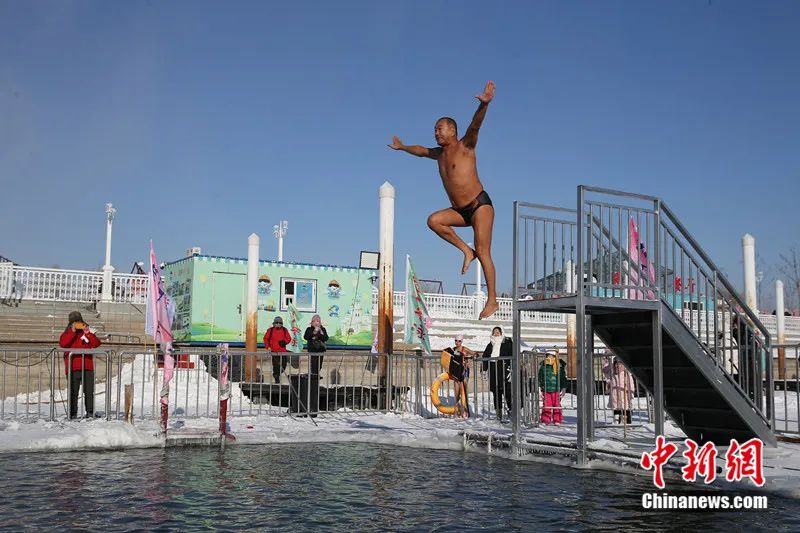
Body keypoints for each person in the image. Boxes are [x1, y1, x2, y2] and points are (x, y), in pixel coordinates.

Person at [388, 80, 499, 319]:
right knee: (434, 220)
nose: (436, 133)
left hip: (480, 205)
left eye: (440, 128)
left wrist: (484, 105)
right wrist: (403, 147)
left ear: (452, 131)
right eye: (435, 130)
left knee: (483, 250)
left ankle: (492, 300)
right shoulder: (439, 154)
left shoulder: (466, 146)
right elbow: (421, 150)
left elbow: (475, 125)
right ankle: (465, 251)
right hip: (460, 210)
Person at [58, 311, 102, 419]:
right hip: (72, 366)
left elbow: (96, 344)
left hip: (87, 366)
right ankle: (72, 413)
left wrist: (88, 333)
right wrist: (72, 331)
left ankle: (90, 412)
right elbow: (63, 343)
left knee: (89, 391)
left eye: (78, 321)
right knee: (73, 391)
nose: (77, 324)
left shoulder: (87, 330)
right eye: (75, 322)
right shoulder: (67, 332)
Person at [482, 326, 513, 422]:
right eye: (494, 332)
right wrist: (484, 370)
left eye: (497, 332)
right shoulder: (490, 344)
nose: (496, 334)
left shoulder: (507, 343)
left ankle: (511, 410)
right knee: (496, 392)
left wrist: (512, 369)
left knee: (507, 391)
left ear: (501, 332)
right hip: (493, 369)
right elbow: (485, 356)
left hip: (504, 369)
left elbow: (513, 355)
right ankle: (498, 413)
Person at [444, 335, 475, 418]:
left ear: (462, 341)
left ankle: (466, 411)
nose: (457, 342)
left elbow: (475, 354)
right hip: (456, 371)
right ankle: (458, 412)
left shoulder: (465, 349)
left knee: (463, 391)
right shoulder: (453, 349)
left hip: (464, 371)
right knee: (457, 392)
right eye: (456, 340)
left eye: (459, 341)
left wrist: (469, 359)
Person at [602, 356, 635, 424]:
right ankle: (617, 422)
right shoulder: (612, 372)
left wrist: (631, 393)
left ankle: (626, 422)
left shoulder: (626, 373)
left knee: (625, 408)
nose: (618, 366)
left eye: (620, 364)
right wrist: (608, 361)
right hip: (615, 395)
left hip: (624, 395)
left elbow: (631, 384)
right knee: (616, 408)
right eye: (616, 364)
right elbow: (604, 370)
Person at [538, 350, 567, 425]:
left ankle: (557, 419)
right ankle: (545, 419)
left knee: (557, 405)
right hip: (546, 389)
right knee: (547, 405)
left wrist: (564, 388)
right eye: (547, 356)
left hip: (556, 389)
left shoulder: (559, 367)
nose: (549, 358)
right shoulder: (543, 367)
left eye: (551, 356)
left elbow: (563, 378)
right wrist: (539, 387)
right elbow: (539, 378)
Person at [264, 316, 292, 384]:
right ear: (274, 323)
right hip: (274, 351)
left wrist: (284, 342)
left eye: (280, 323)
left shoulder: (284, 330)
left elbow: (289, 338)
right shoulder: (270, 330)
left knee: (283, 365)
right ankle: (276, 377)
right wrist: (268, 347)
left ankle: (278, 374)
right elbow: (266, 339)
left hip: (283, 351)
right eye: (277, 323)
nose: (278, 324)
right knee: (276, 365)